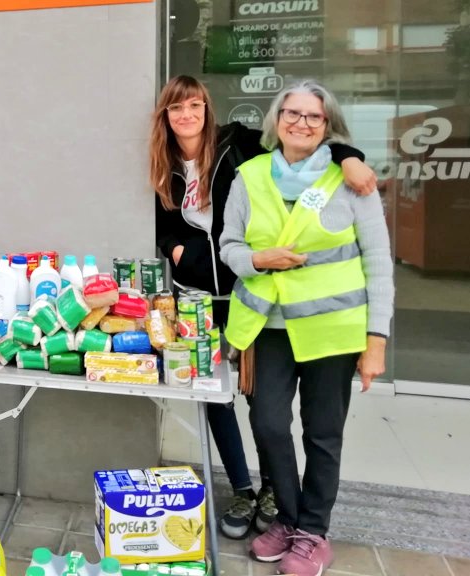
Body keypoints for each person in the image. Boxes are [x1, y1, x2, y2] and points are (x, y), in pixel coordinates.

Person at [150, 75, 377, 540]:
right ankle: (241, 488)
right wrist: (180, 252)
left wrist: (351, 158)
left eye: (194, 105)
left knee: (262, 401)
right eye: (176, 108)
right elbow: (164, 222)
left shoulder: (240, 143)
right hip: (197, 296)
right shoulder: (165, 162)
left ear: (207, 109)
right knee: (213, 396)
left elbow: (306, 141)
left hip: (252, 292)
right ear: (166, 117)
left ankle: (275, 490)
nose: (186, 115)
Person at [219, 79, 393, 576]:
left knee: (322, 433)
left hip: (334, 328)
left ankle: (313, 531)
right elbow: (228, 244)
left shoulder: (351, 180)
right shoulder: (249, 175)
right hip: (268, 325)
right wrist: (256, 258)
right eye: (292, 114)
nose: (301, 123)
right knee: (269, 423)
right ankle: (292, 521)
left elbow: (378, 261)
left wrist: (375, 341)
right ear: (276, 120)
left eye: (313, 116)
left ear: (327, 125)